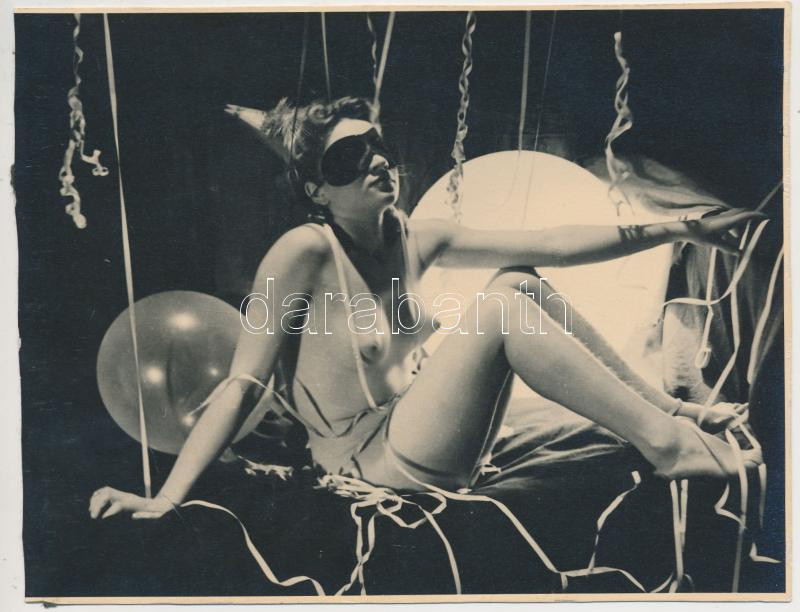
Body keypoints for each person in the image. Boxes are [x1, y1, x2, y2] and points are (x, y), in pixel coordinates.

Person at [90, 96, 762, 521]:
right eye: (348, 158)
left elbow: (554, 244)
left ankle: (670, 413)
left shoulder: (415, 234)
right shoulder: (300, 253)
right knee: (498, 308)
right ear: (318, 191)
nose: (376, 161)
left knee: (519, 281)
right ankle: (666, 443)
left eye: (376, 145)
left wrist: (682, 228)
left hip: (422, 432)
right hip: (367, 463)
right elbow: (242, 383)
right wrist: (165, 499)